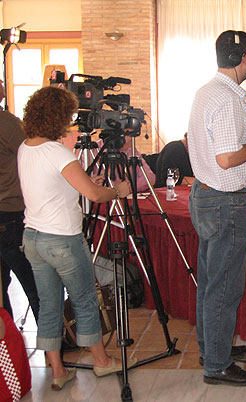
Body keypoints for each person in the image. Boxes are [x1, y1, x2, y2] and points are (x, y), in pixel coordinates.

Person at [17, 86, 134, 391]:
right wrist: (117, 191)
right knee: (83, 299)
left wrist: (83, 183)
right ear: (58, 116)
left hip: (33, 238)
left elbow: (50, 187)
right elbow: (94, 194)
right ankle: (102, 361)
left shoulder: (26, 146)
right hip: (63, 240)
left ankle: (57, 370)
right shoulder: (57, 151)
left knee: (49, 304)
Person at [187, 30, 246, 387]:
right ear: (245, 58)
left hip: (206, 195)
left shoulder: (206, 91)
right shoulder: (227, 99)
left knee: (210, 282)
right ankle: (218, 365)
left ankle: (211, 349)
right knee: (225, 286)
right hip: (226, 201)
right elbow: (226, 159)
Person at [0, 79, 40, 322]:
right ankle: (54, 346)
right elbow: (35, 151)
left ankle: (7, 343)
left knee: (1, 288)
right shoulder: (6, 123)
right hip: (10, 213)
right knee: (35, 285)